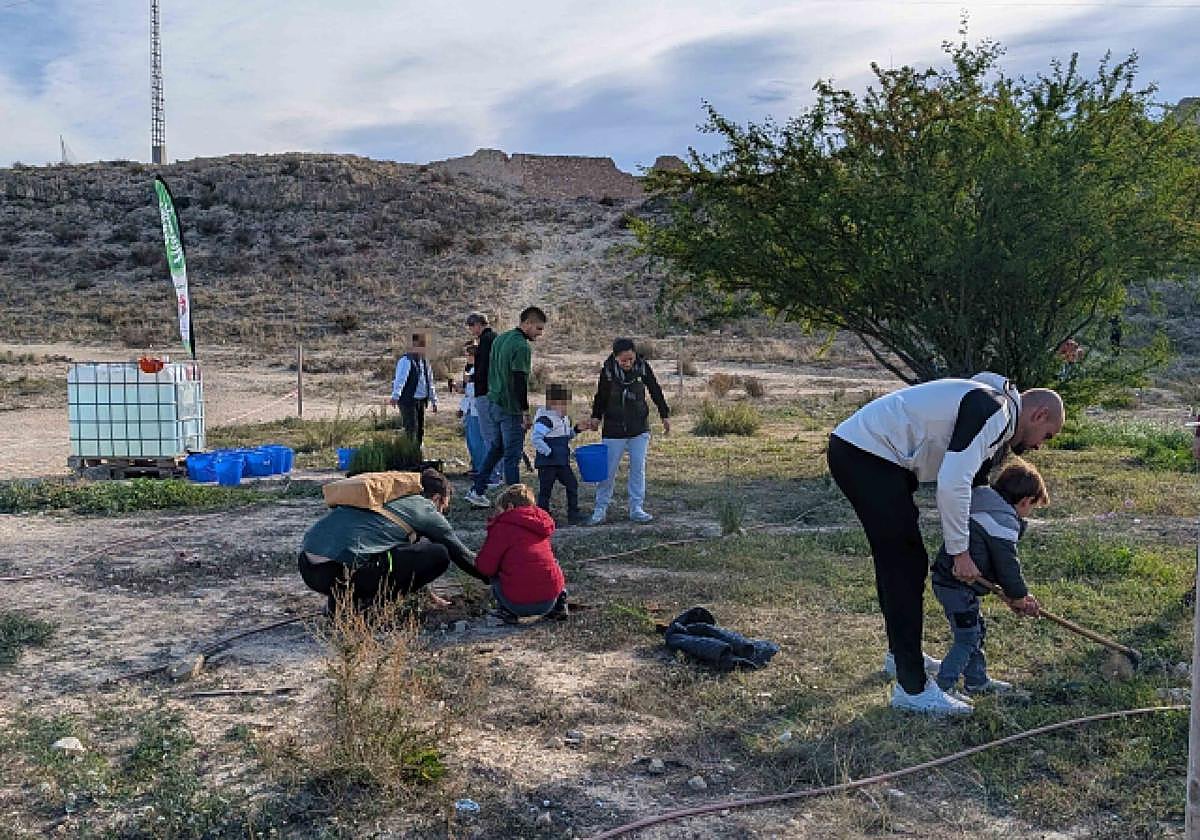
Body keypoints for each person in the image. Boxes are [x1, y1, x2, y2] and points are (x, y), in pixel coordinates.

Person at [827, 373, 1063, 715]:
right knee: (903, 564)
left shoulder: (993, 411)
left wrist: (1009, 589)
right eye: (1047, 435)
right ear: (1038, 415)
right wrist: (960, 553)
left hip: (867, 453)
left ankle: (899, 657)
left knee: (900, 561)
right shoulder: (995, 410)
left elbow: (974, 493)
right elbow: (953, 481)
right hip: (867, 454)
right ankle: (913, 689)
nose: (1040, 445)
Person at [930, 458, 1045, 704]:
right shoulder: (1002, 520)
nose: (1029, 514)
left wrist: (1018, 597)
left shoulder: (983, 503)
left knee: (976, 629)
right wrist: (1018, 595)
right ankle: (942, 688)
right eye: (1032, 508)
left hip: (956, 582)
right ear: (1025, 501)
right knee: (967, 636)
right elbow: (1007, 566)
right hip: (955, 585)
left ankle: (976, 680)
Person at [298, 468, 487, 613]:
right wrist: (498, 577)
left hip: (308, 567)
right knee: (438, 553)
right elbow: (461, 555)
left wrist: (425, 593)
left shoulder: (386, 499)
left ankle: (342, 602)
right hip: (338, 573)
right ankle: (369, 609)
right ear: (437, 498)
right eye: (444, 506)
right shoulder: (424, 507)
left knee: (391, 551)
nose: (443, 512)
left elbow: (400, 555)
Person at [464, 306, 548, 507]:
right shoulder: (521, 347)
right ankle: (517, 503)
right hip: (510, 407)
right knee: (512, 455)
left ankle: (477, 489)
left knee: (497, 449)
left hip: (494, 402)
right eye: (538, 328)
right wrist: (524, 411)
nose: (540, 333)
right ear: (527, 323)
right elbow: (519, 380)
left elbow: (489, 370)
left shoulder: (501, 339)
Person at [588, 337, 671, 525]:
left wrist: (664, 414)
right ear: (615, 357)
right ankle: (600, 508)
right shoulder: (608, 371)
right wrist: (596, 417)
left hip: (639, 428)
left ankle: (636, 508)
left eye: (631, 359)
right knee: (607, 471)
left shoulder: (642, 368)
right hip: (613, 428)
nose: (627, 363)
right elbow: (601, 396)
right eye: (623, 360)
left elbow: (655, 389)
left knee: (638, 468)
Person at [474, 484, 568, 624]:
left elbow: (485, 567)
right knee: (550, 563)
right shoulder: (541, 525)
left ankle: (506, 612)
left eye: (498, 510)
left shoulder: (502, 527)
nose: (496, 514)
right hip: (549, 601)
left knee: (494, 568)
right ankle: (560, 605)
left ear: (510, 507)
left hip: (517, 604)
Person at [531, 384, 589, 525]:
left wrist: (576, 430)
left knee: (572, 484)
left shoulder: (564, 419)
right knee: (546, 490)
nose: (564, 408)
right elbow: (536, 438)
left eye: (566, 404)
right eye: (561, 404)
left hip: (562, 462)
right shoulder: (546, 418)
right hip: (548, 463)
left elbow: (566, 436)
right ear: (552, 403)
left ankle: (573, 514)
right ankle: (542, 517)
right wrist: (548, 452)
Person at [467, 312, 502, 489]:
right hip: (495, 393)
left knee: (490, 437)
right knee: (495, 436)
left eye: (472, 326)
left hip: (485, 393)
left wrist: (471, 380)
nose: (472, 330)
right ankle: (496, 473)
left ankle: (494, 476)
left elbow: (484, 368)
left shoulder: (486, 341)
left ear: (479, 324)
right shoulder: (495, 339)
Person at [390, 332, 438, 447]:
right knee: (411, 430)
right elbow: (400, 380)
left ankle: (418, 453)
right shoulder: (406, 361)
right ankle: (409, 455)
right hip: (408, 400)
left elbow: (430, 382)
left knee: (420, 430)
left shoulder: (425, 362)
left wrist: (433, 400)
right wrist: (395, 396)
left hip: (421, 400)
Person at [457, 341, 489, 478]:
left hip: (478, 411)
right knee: (471, 441)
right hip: (470, 410)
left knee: (478, 442)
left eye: (469, 355)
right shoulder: (471, 370)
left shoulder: (481, 372)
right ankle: (476, 466)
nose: (467, 357)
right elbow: (468, 393)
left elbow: (479, 391)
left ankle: (482, 468)